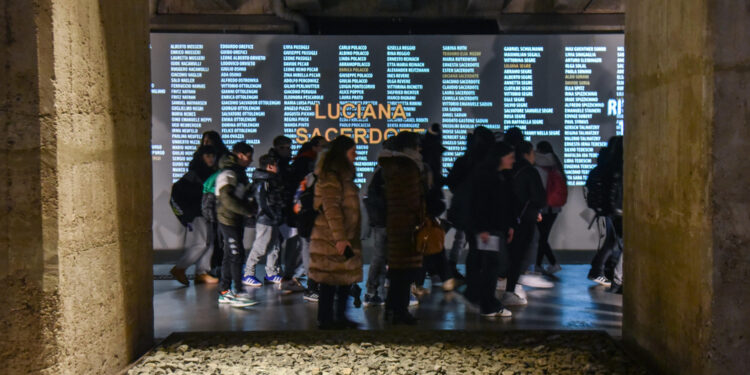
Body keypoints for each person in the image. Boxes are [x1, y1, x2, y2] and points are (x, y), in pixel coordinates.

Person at [309, 136, 363, 329]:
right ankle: (327, 319)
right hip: (331, 238)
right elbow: (331, 208)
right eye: (353, 152)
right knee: (330, 280)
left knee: (341, 279)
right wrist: (340, 238)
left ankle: (338, 317)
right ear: (342, 154)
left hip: (341, 236)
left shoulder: (341, 175)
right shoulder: (331, 176)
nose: (356, 156)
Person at [379, 131, 428, 325]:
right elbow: (412, 199)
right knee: (405, 271)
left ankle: (393, 308)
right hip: (408, 225)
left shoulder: (391, 167)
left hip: (395, 223)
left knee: (398, 270)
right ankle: (400, 311)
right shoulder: (408, 167)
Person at [468, 142, 516, 318]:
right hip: (489, 230)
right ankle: (488, 304)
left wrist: (507, 226)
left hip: (494, 229)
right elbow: (482, 205)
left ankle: (485, 302)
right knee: (493, 265)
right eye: (510, 157)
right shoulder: (489, 177)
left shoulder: (496, 176)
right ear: (500, 158)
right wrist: (483, 229)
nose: (513, 160)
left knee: (493, 265)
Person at [448, 126, 495, 303]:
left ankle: (473, 289)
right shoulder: (489, 161)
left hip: (468, 214)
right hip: (486, 215)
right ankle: (483, 293)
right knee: (487, 253)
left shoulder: (464, 161)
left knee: (474, 251)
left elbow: (452, 183)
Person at [502, 141, 547, 306]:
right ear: (528, 153)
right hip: (524, 218)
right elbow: (539, 197)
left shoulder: (508, 171)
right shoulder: (529, 171)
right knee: (521, 254)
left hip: (508, 218)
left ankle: (507, 286)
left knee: (510, 254)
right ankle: (511, 290)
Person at [215, 142, 258, 307]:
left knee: (230, 255)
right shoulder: (229, 173)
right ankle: (238, 291)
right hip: (228, 220)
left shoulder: (237, 172)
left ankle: (225, 291)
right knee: (236, 254)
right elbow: (227, 199)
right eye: (249, 156)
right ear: (240, 155)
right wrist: (247, 210)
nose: (251, 160)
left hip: (233, 219)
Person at [170, 146, 219, 286]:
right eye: (207, 156)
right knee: (202, 243)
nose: (211, 159)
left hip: (207, 212)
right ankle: (180, 268)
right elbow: (179, 192)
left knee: (209, 243)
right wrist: (187, 214)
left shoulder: (209, 173)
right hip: (198, 213)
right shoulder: (194, 174)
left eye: (212, 156)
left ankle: (201, 272)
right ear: (201, 157)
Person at [416, 123, 455, 292]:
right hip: (429, 206)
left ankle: (435, 276)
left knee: (427, 243)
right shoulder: (430, 159)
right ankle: (439, 277)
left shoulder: (425, 156)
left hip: (427, 206)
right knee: (429, 243)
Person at [243, 154, 286, 287]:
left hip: (272, 218)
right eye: (275, 165)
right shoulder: (263, 182)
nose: (277, 167)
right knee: (260, 247)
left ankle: (271, 273)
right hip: (265, 219)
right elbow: (263, 202)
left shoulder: (269, 181)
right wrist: (271, 214)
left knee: (275, 247)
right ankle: (248, 274)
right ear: (270, 166)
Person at [362, 138, 395, 307]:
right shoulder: (385, 172)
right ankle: (373, 291)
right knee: (382, 256)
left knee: (382, 256)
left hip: (382, 220)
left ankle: (374, 291)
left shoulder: (379, 170)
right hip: (386, 221)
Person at [587, 137, 624, 291]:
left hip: (610, 212)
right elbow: (616, 193)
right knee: (618, 244)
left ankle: (601, 271)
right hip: (618, 212)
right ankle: (616, 278)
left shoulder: (604, 166)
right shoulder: (617, 167)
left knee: (611, 242)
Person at [534, 141, 567, 275]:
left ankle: (552, 263)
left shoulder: (539, 164)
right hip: (555, 206)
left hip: (543, 206)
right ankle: (539, 265)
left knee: (541, 237)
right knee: (543, 237)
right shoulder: (556, 163)